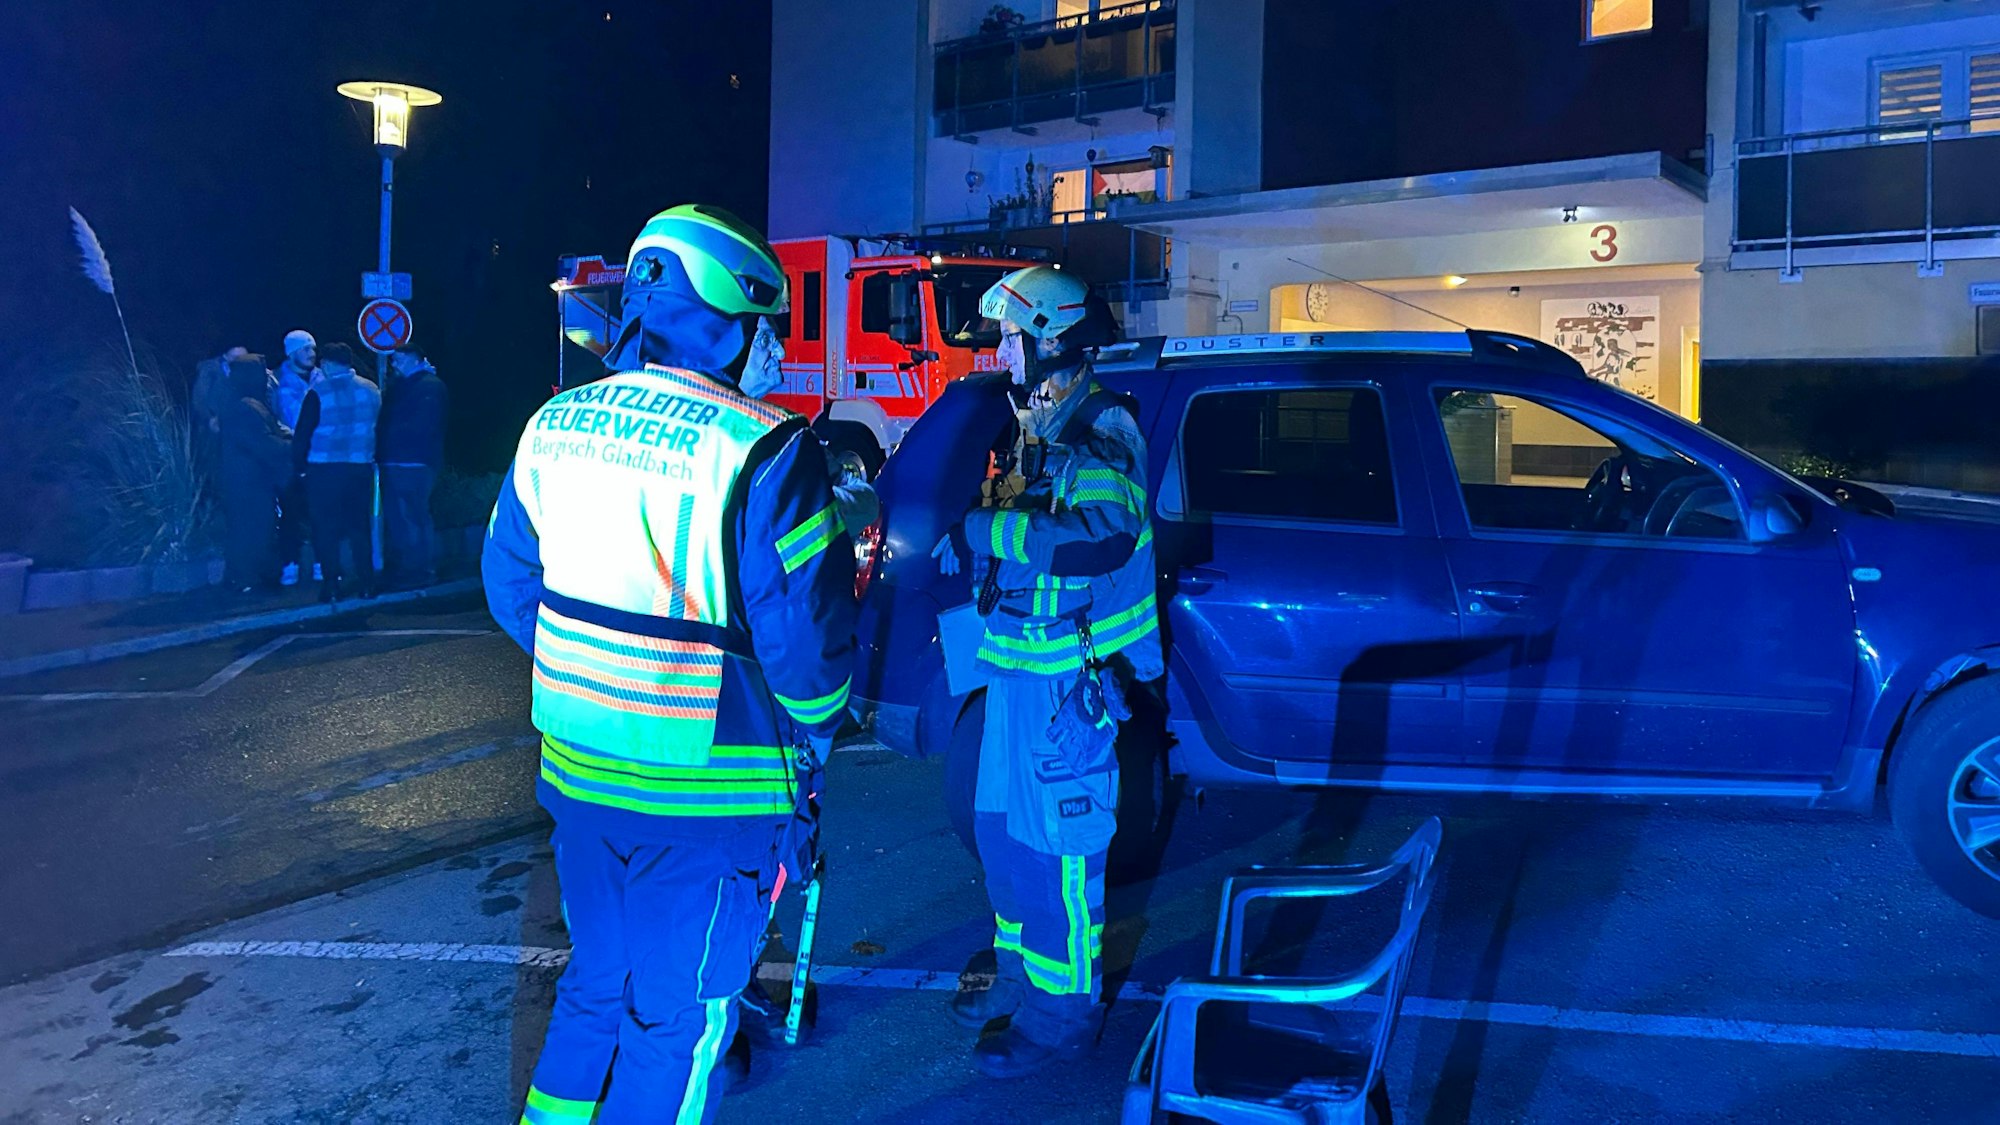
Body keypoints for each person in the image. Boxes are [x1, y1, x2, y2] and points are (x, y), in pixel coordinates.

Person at [483, 204, 855, 1125]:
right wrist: (811, 743)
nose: (768, 348)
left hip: (579, 782)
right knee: (680, 1023)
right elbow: (808, 656)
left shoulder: (555, 423)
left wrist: (592, 671)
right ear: (730, 321)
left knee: (592, 989)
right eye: (762, 326)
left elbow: (508, 583)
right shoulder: (766, 450)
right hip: (708, 804)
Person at [932, 265, 1164, 1078]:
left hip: (1073, 681)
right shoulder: (1041, 419)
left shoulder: (1103, 426)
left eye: (1010, 335)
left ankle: (1064, 1012)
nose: (1000, 350)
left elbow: (1099, 535)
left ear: (1052, 337)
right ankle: (1024, 975)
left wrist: (983, 533)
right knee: (1001, 833)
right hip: (1017, 673)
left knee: (1059, 847)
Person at [292, 342, 381, 602]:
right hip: (360, 467)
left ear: (328, 364)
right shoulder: (371, 389)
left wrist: (299, 468)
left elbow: (303, 435)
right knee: (359, 527)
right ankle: (367, 583)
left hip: (324, 470)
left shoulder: (318, 392)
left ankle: (331, 585)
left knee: (326, 528)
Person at [215, 353, 291, 592]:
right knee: (252, 529)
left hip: (249, 480)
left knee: (253, 527)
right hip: (248, 482)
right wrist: (295, 445)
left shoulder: (243, 402)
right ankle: (244, 580)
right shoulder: (245, 407)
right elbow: (262, 443)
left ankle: (248, 578)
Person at [377, 344, 449, 590]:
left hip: (412, 462)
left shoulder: (427, 386)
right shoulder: (418, 385)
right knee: (407, 518)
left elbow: (421, 426)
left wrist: (386, 438)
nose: (394, 365)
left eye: (397, 360)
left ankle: (420, 570)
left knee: (411, 518)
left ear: (411, 358)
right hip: (406, 461)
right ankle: (414, 568)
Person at [271, 329, 320, 587]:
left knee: (319, 513)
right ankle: (290, 563)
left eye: (313, 349)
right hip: (289, 459)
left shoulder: (322, 378)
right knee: (290, 514)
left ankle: (322, 563)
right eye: (305, 349)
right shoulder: (276, 382)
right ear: (292, 353)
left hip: (318, 456)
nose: (312, 354)